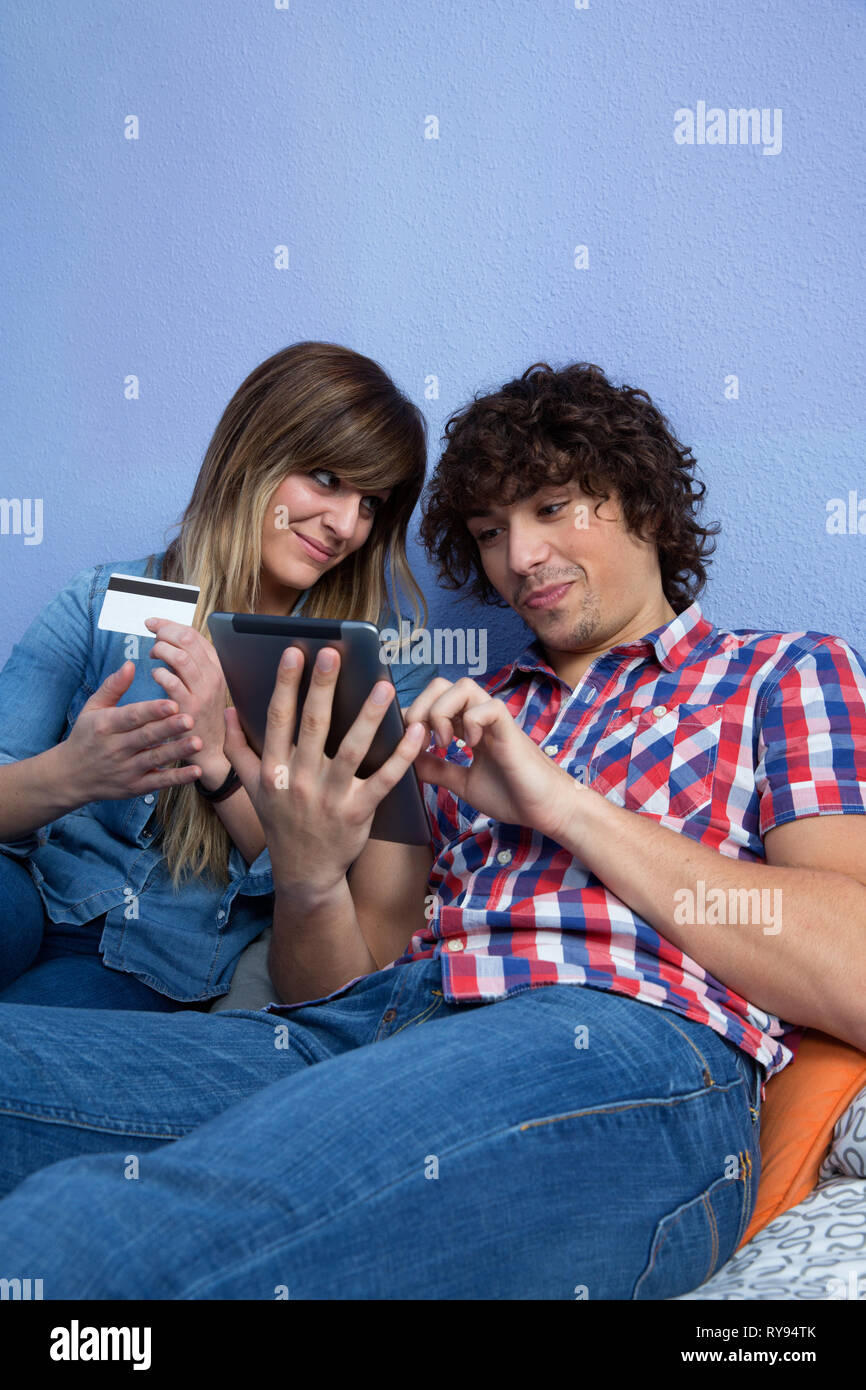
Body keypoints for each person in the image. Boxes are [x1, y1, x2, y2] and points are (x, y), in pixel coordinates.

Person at [0, 360, 864, 1300]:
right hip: (365, 1033)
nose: (518, 558)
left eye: (552, 508)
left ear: (646, 506)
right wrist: (310, 871)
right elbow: (337, 981)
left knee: (114, 1236)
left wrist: (561, 803)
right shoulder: (448, 716)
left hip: (608, 1039)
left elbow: (852, 969)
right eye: (492, 532)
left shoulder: (779, 672)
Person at [0, 341, 434, 1011]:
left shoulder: (377, 666)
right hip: (30, 895)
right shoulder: (105, 598)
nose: (346, 524)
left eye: (371, 503)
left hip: (149, 963)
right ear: (253, 455)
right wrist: (72, 775)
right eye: (324, 477)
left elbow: (319, 880)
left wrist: (220, 762)